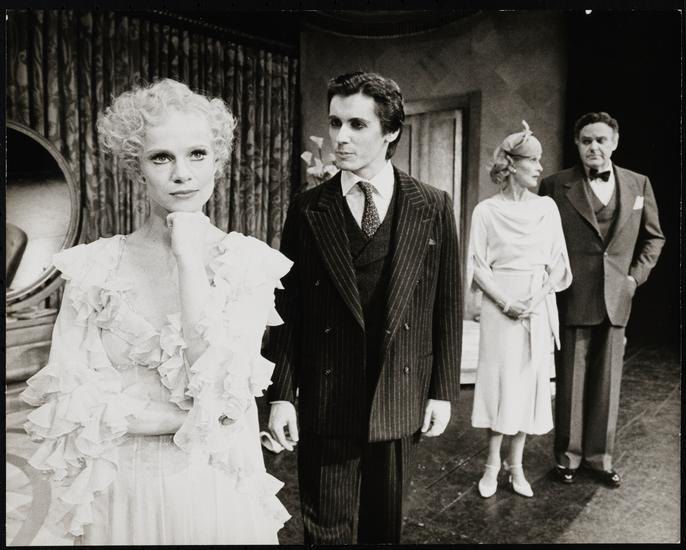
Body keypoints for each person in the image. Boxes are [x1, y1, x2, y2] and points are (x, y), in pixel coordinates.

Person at [19, 78, 292, 544]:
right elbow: (71, 398)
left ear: (217, 161)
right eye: (161, 157)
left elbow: (219, 390)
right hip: (123, 488)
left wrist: (188, 260)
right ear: (136, 167)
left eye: (197, 154)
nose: (182, 173)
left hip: (212, 487)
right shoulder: (94, 268)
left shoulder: (248, 264)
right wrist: (188, 420)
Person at [265, 71, 461, 544]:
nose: (340, 137)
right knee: (324, 529)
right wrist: (281, 394)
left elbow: (447, 304)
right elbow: (287, 309)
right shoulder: (307, 209)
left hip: (399, 391)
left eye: (357, 125)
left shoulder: (432, 206)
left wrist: (442, 390)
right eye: (335, 123)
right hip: (327, 395)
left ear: (390, 131)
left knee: (384, 528)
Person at [539, 112, 665, 488]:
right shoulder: (554, 185)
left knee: (608, 384)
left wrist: (634, 278)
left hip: (617, 298)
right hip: (572, 296)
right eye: (586, 141)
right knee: (571, 382)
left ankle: (600, 459)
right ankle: (567, 458)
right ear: (577, 145)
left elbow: (654, 237)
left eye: (601, 140)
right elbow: (539, 238)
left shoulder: (638, 184)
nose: (594, 147)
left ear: (615, 143)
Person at [468, 121, 572, 499]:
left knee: (528, 384)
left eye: (540, 160)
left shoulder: (547, 208)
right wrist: (506, 302)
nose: (540, 167)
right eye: (533, 160)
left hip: (536, 304)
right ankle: (490, 466)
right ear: (511, 164)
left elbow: (558, 265)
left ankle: (516, 466)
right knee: (500, 381)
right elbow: (478, 266)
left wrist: (538, 296)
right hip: (501, 304)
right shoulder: (486, 211)